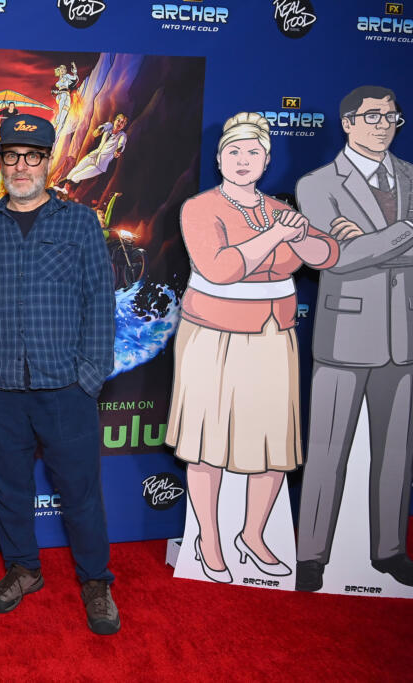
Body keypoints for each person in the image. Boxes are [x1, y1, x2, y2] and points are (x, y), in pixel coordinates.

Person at [0, 114, 119, 635]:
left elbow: (100, 300)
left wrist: (91, 374)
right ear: (0, 162)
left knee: (80, 491)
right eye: (12, 156)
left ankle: (95, 580)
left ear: (49, 162)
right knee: (8, 488)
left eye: (33, 156)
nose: (22, 166)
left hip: (65, 387)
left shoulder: (78, 222)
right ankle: (24, 569)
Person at [166, 113, 338, 585]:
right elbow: (220, 269)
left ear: (267, 160)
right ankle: (210, 540)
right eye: (234, 152)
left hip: (272, 336)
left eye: (254, 153)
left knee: (273, 444)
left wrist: (303, 232)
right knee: (207, 444)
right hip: (212, 335)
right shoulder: (199, 208)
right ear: (220, 158)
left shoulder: (279, 210)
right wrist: (278, 237)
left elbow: (327, 256)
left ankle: (254, 535)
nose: (244, 161)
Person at [295, 85, 413, 592]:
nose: (383, 124)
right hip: (344, 336)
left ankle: (389, 550)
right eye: (372, 116)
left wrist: (367, 244)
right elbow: (335, 259)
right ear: (347, 123)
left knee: (397, 452)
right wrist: (408, 230)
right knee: (326, 448)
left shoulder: (411, 176)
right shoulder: (318, 184)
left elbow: (357, 253)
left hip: (404, 336)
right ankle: (311, 558)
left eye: (392, 116)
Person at [65, 113, 128, 184]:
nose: (119, 123)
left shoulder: (122, 135)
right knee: (76, 169)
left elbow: (121, 144)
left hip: (100, 164)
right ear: (114, 121)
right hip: (94, 155)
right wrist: (100, 130)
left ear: (123, 126)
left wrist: (118, 151)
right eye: (118, 120)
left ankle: (65, 189)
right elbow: (104, 127)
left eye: (122, 123)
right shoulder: (110, 126)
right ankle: (63, 183)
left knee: (76, 177)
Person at [51, 62, 78, 134]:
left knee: (62, 116)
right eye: (61, 69)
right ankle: (53, 130)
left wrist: (74, 67)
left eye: (64, 69)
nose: (62, 70)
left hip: (66, 96)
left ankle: (57, 133)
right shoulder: (59, 81)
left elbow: (75, 77)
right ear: (59, 70)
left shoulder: (67, 76)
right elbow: (59, 90)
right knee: (60, 115)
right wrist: (55, 92)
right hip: (61, 96)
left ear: (65, 70)